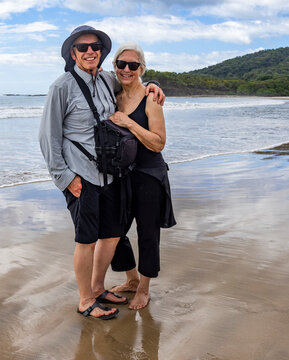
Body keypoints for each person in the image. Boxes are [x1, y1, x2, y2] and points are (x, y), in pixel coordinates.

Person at [38, 26, 164, 320]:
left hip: (110, 173)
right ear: (73, 53)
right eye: (82, 48)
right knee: (86, 239)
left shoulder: (107, 80)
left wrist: (154, 83)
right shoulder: (62, 87)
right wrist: (64, 178)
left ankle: (96, 287)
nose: (90, 51)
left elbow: (132, 78)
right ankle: (85, 300)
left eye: (95, 46)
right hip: (81, 177)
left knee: (111, 234)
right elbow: (48, 137)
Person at [108, 43, 176, 310]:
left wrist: (129, 122)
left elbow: (159, 143)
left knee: (148, 233)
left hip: (149, 174)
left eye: (133, 65)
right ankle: (131, 279)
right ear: (115, 67)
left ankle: (144, 289)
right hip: (121, 174)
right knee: (113, 230)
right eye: (121, 64)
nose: (127, 69)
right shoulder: (113, 95)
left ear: (141, 69)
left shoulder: (151, 99)